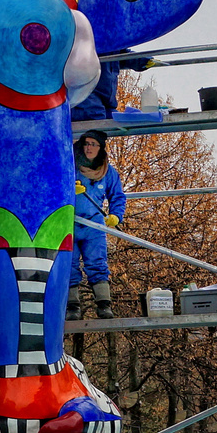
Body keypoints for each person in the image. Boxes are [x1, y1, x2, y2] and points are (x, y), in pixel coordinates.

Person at [67, 129, 124, 321]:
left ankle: (103, 305)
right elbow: (51, 187)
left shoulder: (108, 171)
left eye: (94, 144)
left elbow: (117, 195)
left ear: (100, 148)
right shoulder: (69, 165)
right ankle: (72, 307)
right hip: (68, 223)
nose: (89, 148)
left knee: (97, 263)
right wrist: (68, 190)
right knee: (69, 264)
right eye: (86, 143)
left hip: (93, 225)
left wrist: (116, 215)